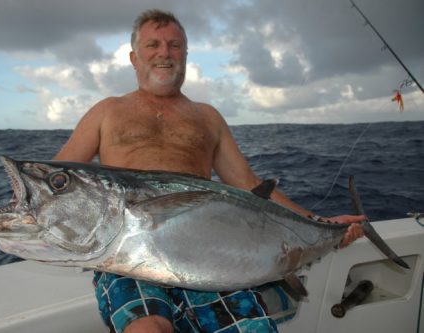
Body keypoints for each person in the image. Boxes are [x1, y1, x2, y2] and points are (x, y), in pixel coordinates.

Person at [54, 9, 365, 333]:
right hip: (127, 258)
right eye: (153, 45)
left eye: (175, 45)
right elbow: (59, 179)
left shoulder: (207, 116)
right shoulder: (108, 111)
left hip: (213, 257)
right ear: (134, 58)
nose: (164, 53)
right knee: (147, 328)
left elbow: (251, 185)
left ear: (186, 55)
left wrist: (322, 224)